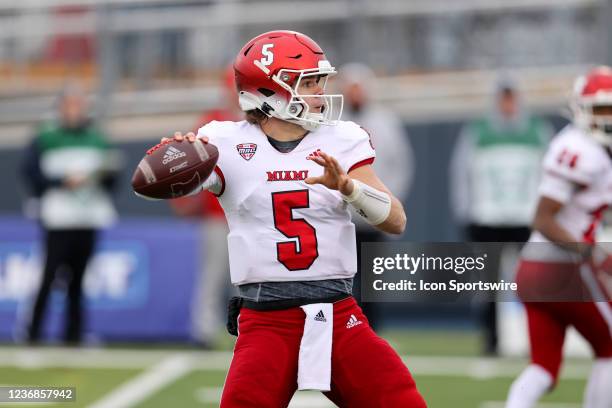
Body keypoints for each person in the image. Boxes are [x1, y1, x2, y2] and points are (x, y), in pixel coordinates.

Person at [154, 31, 426, 407]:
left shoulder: (342, 139)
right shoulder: (225, 143)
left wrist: (348, 188)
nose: (320, 92)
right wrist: (180, 165)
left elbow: (395, 220)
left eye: (319, 82)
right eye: (308, 83)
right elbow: (169, 186)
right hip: (266, 321)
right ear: (269, 90)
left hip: (337, 316)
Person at [505, 66, 612, 408]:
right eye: (600, 109)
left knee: (543, 367)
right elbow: (544, 218)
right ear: (581, 109)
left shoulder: (576, 144)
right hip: (564, 267)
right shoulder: (584, 152)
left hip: (532, 268)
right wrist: (589, 252)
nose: (606, 117)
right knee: (610, 350)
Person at [450, 78, 552, 355]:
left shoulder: (537, 130)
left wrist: (547, 216)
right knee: (489, 286)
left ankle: (538, 339)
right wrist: (465, 212)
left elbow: (550, 175)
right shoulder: (478, 130)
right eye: (503, 98)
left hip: (525, 219)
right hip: (488, 217)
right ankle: (491, 341)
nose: (507, 104)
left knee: (533, 284)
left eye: (511, 98)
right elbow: (462, 173)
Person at [21, 84, 120, 344]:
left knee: (78, 280)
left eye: (80, 105)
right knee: (49, 276)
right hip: (58, 218)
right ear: (61, 108)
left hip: (87, 217)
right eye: (71, 105)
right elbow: (30, 173)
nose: (76, 111)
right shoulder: (45, 137)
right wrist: (61, 182)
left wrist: (99, 177)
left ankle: (73, 335)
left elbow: (113, 177)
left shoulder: (97, 137)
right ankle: (33, 333)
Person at [339, 63, 415, 331]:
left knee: (372, 277)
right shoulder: (333, 122)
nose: (356, 94)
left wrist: (386, 201)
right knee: (342, 275)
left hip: (374, 214)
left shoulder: (385, 121)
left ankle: (371, 329)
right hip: (341, 214)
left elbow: (400, 164)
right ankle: (345, 328)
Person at [169, 67, 241, 348]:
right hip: (217, 214)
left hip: (249, 215)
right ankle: (202, 331)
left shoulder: (257, 122)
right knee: (213, 274)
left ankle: (249, 331)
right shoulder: (212, 122)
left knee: (247, 276)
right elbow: (189, 164)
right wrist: (184, 199)